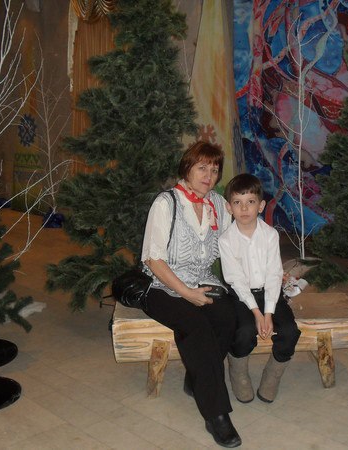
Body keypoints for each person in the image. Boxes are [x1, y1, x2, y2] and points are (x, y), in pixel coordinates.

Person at [141, 142, 241, 448]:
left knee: (227, 316)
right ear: (187, 168)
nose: (209, 175)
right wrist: (186, 293)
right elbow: (153, 259)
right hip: (162, 286)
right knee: (197, 326)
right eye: (202, 168)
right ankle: (217, 415)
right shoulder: (166, 203)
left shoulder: (218, 205)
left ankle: (197, 377)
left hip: (202, 281)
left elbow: (238, 243)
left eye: (215, 170)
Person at [218, 173, 301, 403]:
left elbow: (274, 274)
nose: (244, 208)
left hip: (270, 292)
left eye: (251, 202)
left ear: (261, 206)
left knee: (290, 331)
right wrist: (257, 314)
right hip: (240, 296)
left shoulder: (270, 235)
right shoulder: (226, 240)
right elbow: (236, 280)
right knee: (243, 331)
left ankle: (273, 374)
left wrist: (268, 313)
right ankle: (238, 372)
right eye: (237, 202)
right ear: (229, 207)